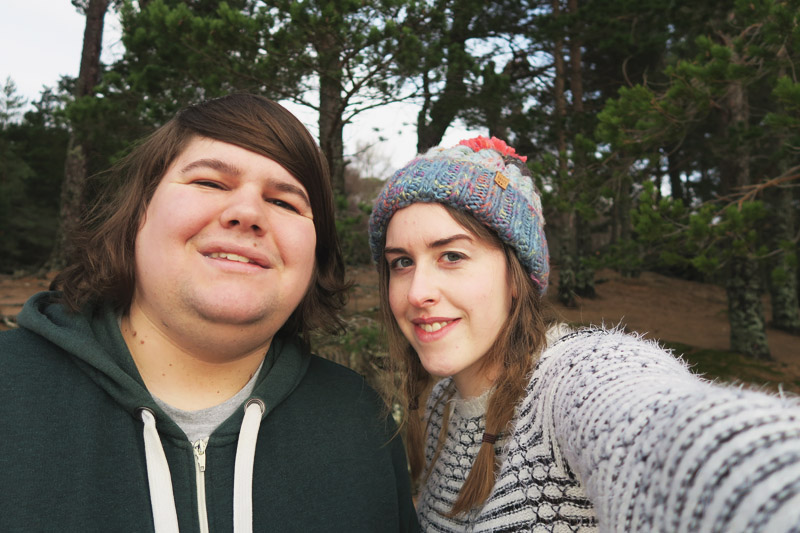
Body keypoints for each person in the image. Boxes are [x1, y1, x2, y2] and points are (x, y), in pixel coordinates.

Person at [0, 93, 418, 532]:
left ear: (316, 254)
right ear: (139, 211)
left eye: (285, 202)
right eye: (210, 183)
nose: (247, 213)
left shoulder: (360, 422)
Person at [368, 136, 800, 532]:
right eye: (401, 262)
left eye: (452, 255)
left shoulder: (572, 380)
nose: (417, 292)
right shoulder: (441, 401)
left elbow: (675, 438)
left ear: (515, 277)